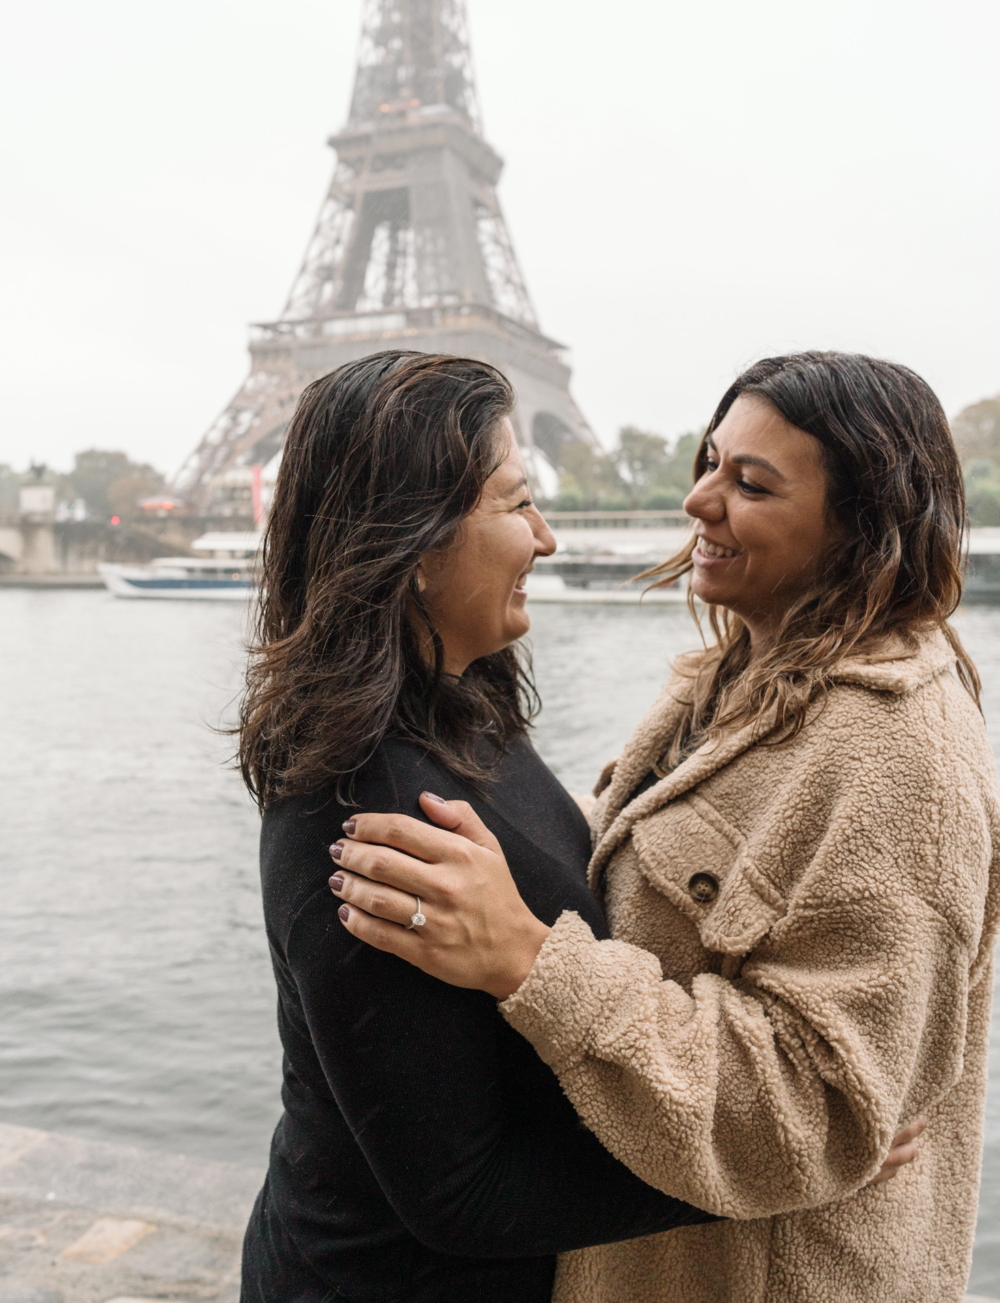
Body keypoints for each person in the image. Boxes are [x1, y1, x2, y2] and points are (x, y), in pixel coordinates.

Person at [330, 350, 996, 1303]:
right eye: (709, 463)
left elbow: (825, 1115)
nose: (700, 502)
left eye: (751, 483)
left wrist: (528, 957)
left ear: (861, 524)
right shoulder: (735, 677)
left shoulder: (897, 752)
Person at [238, 350, 723, 1303]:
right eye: (515, 503)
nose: (545, 537)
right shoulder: (374, 813)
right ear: (414, 545)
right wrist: (767, 1174)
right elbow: (460, 1194)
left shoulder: (461, 698)